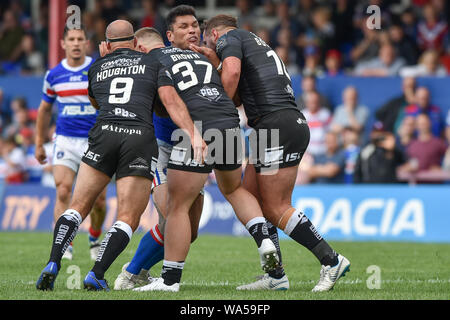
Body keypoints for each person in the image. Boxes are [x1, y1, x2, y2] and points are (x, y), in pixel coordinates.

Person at [36, 20, 204, 291]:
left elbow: (96, 101)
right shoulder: (151, 64)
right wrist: (193, 134)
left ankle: (54, 261)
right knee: (127, 215)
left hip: (103, 133)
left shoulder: (96, 66)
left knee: (77, 206)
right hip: (138, 138)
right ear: (136, 44)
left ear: (107, 45)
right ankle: (97, 273)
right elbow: (170, 102)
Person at [194, 14, 350, 292]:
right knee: (251, 198)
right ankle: (276, 275)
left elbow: (231, 76)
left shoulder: (228, 39)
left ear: (214, 34)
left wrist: (218, 111)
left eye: (207, 39)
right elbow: (240, 92)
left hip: (274, 125)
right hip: (281, 123)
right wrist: (217, 63)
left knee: (275, 206)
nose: (208, 44)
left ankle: (331, 260)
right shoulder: (252, 41)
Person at [131, 6, 279, 293]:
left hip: (195, 130)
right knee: (234, 190)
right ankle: (264, 242)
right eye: (185, 27)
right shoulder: (209, 58)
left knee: (178, 209)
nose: (193, 30)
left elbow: (166, 102)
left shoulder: (156, 58)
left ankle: (169, 281)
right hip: (230, 124)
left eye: (195, 26)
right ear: (170, 35)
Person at [34, 25, 107, 261]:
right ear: (63, 44)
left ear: (87, 43)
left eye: (80, 39)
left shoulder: (97, 68)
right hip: (65, 140)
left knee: (99, 201)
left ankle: (94, 236)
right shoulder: (53, 75)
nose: (76, 43)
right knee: (63, 190)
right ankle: (65, 243)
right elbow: (44, 110)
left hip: (94, 141)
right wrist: (38, 143)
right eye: (71, 39)